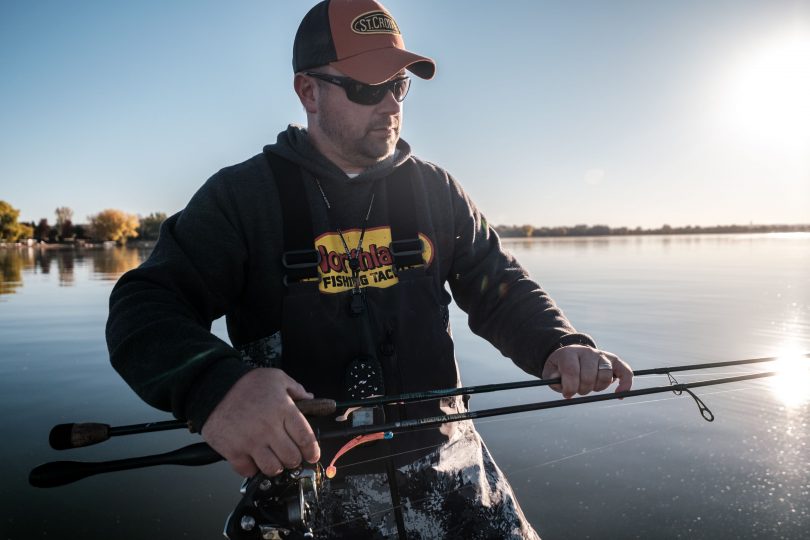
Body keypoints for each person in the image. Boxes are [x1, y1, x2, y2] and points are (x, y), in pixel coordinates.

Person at [106, 0, 633, 538]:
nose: (389, 104)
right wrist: (214, 387)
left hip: (456, 471)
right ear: (308, 91)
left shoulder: (436, 190)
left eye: (399, 85)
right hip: (311, 490)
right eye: (365, 87)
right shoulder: (241, 199)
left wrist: (557, 342)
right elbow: (143, 307)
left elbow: (498, 284)